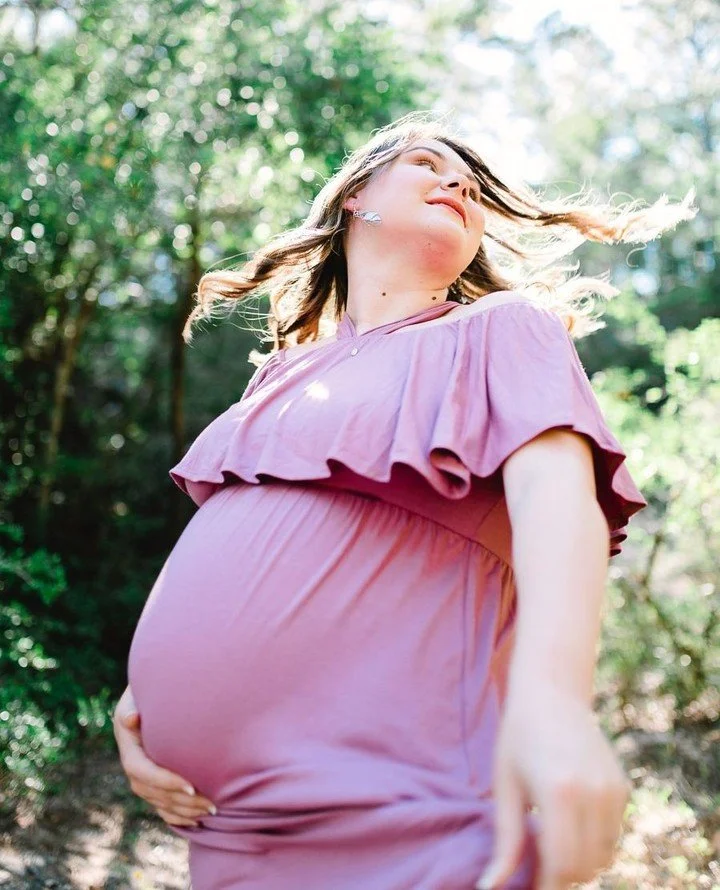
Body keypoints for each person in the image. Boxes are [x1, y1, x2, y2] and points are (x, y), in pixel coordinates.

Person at [113, 111, 696, 890]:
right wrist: (141, 701)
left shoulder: (501, 328)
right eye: (428, 163)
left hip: (395, 805)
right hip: (227, 825)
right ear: (356, 196)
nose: (457, 182)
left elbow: (558, 500)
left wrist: (556, 698)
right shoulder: (282, 372)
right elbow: (230, 547)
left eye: (471, 184)